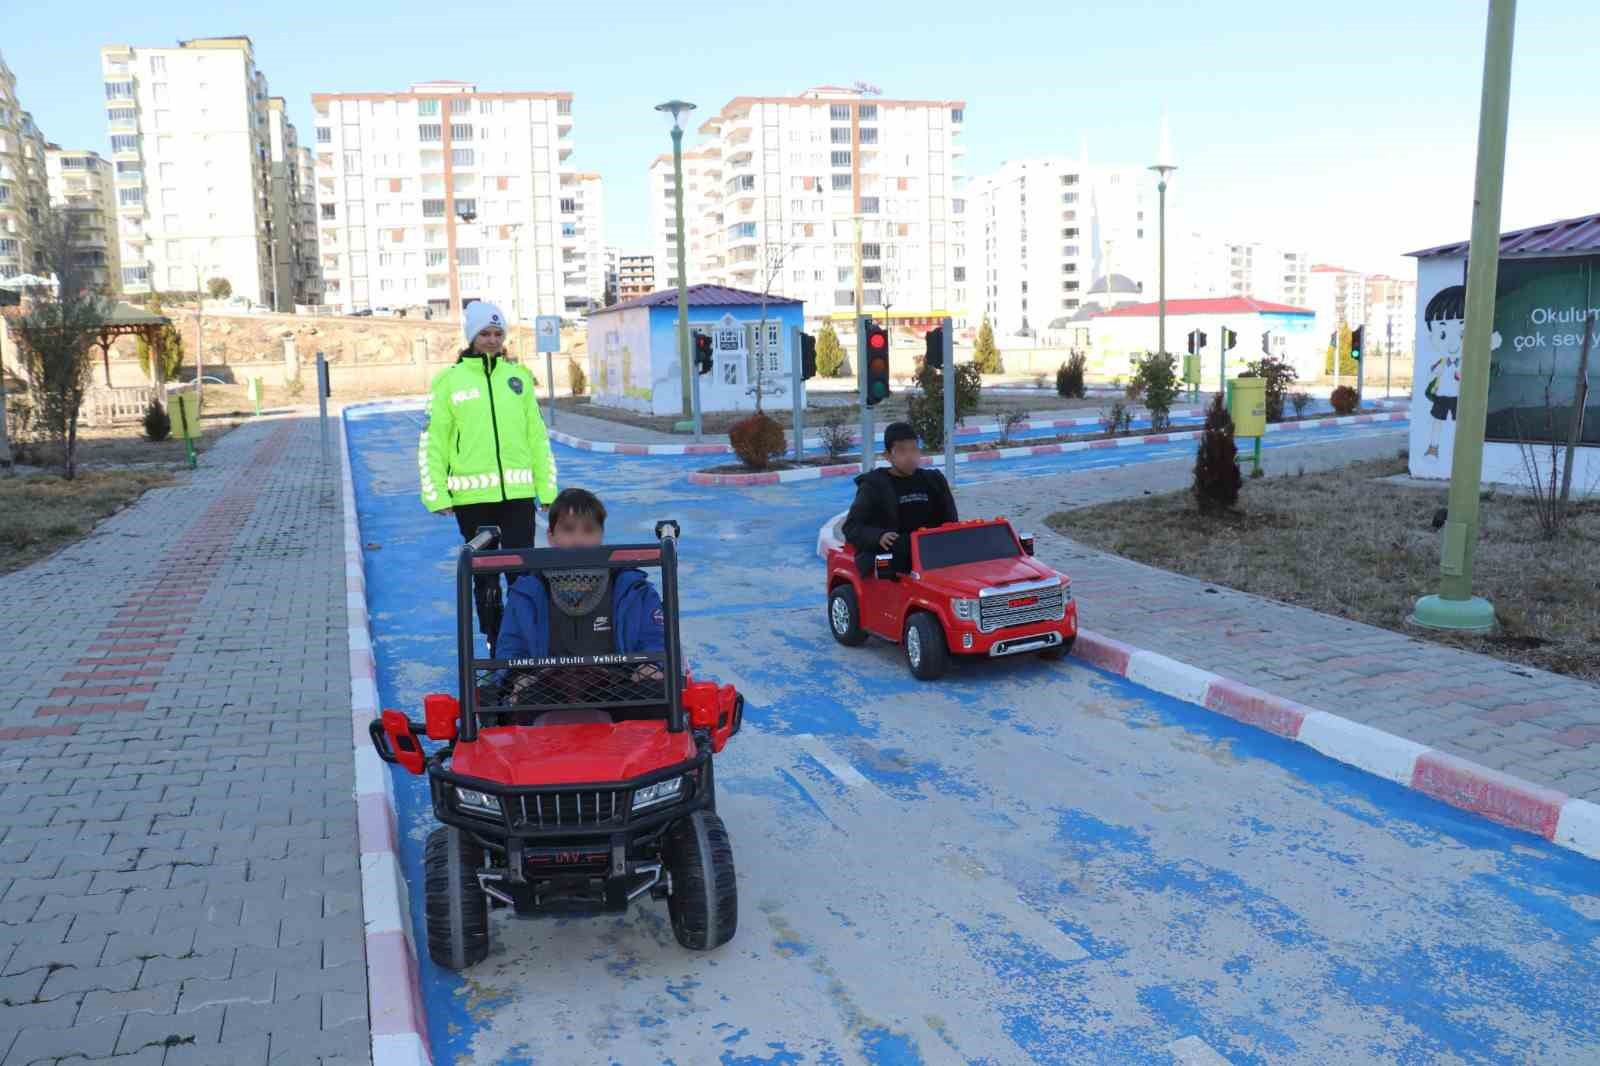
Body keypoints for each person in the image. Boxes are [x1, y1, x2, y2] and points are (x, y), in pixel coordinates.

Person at [419, 301, 558, 653]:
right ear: (471, 336)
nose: (492, 339)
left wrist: (548, 490)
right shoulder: (449, 382)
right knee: (485, 577)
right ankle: (495, 642)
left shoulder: (519, 379)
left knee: (522, 574)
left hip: (517, 498)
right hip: (472, 501)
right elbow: (434, 440)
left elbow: (537, 437)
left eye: (498, 333)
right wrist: (437, 494)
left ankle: (524, 641)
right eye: (485, 333)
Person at [496, 488, 666, 662]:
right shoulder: (527, 593)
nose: (579, 540)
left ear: (601, 535)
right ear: (551, 536)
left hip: (620, 685)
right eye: (569, 529)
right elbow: (510, 648)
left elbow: (655, 639)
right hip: (545, 686)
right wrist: (517, 676)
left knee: (652, 682)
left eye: (589, 530)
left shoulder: (633, 590)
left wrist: (651, 666)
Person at [841, 421, 958, 576]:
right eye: (902, 451)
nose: (910, 457)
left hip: (929, 554)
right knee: (885, 567)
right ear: (888, 456)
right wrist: (879, 536)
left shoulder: (934, 480)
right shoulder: (873, 485)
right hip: (891, 555)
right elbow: (851, 527)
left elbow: (951, 522)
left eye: (914, 450)